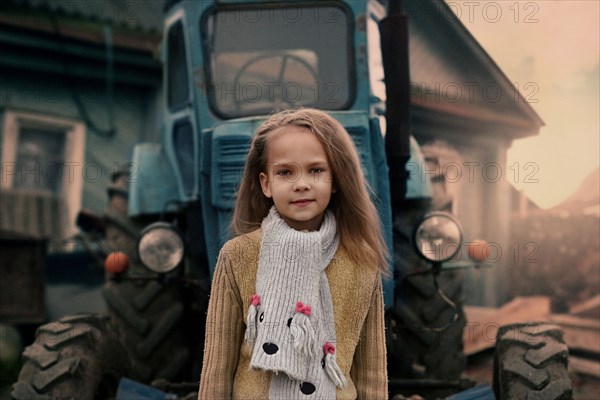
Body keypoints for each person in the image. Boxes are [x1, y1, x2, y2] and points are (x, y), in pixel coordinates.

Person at [198, 108, 389, 399]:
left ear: (335, 179)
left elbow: (372, 374)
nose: (301, 183)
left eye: (316, 170)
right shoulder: (238, 255)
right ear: (266, 184)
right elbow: (217, 369)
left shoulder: (361, 260)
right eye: (285, 172)